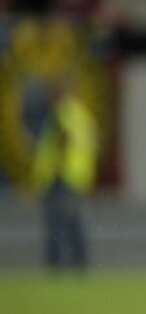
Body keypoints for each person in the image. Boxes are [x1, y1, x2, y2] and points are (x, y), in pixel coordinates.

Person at [30, 81, 100, 270]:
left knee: (59, 224)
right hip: (75, 177)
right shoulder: (79, 115)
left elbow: (59, 146)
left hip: (62, 178)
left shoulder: (62, 116)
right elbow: (91, 145)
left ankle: (59, 264)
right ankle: (79, 262)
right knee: (74, 223)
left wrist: (49, 176)